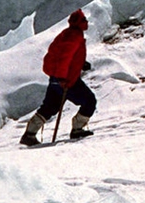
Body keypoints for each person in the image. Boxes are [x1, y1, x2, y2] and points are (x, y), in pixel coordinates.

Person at [20, 9, 96, 146]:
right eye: (84, 20)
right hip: (67, 80)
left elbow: (62, 55)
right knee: (89, 101)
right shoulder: (75, 36)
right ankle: (77, 129)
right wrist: (63, 78)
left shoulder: (65, 34)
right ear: (79, 23)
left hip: (55, 79)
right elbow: (64, 58)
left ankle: (29, 133)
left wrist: (80, 64)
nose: (87, 22)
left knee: (49, 107)